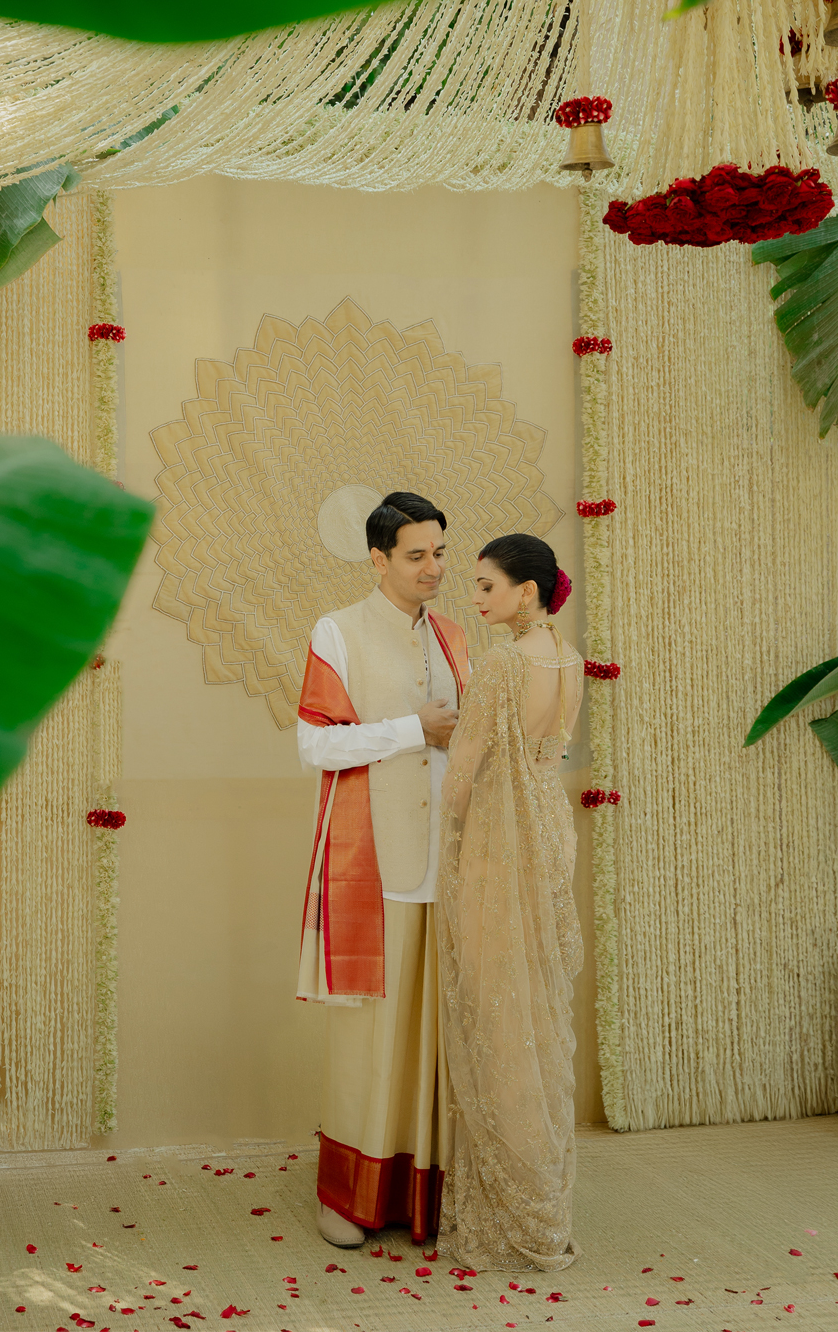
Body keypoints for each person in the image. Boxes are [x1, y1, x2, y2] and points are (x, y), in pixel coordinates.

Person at [296, 491, 469, 1248]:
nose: (433, 568)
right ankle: (348, 1196)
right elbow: (316, 744)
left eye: (440, 553)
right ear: (378, 559)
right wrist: (412, 729)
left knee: (435, 1032)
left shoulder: (455, 636)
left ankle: (422, 1195)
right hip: (372, 857)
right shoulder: (337, 631)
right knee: (369, 1035)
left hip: (448, 856)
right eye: (416, 555)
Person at [435, 533, 583, 1273]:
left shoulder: (500, 664)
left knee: (497, 1012)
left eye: (486, 586)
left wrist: (453, 831)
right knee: (536, 1011)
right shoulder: (569, 659)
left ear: (528, 591)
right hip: (551, 832)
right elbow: (550, 753)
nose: (475, 598)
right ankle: (543, 1191)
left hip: (501, 844)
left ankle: (510, 1204)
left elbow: (463, 772)